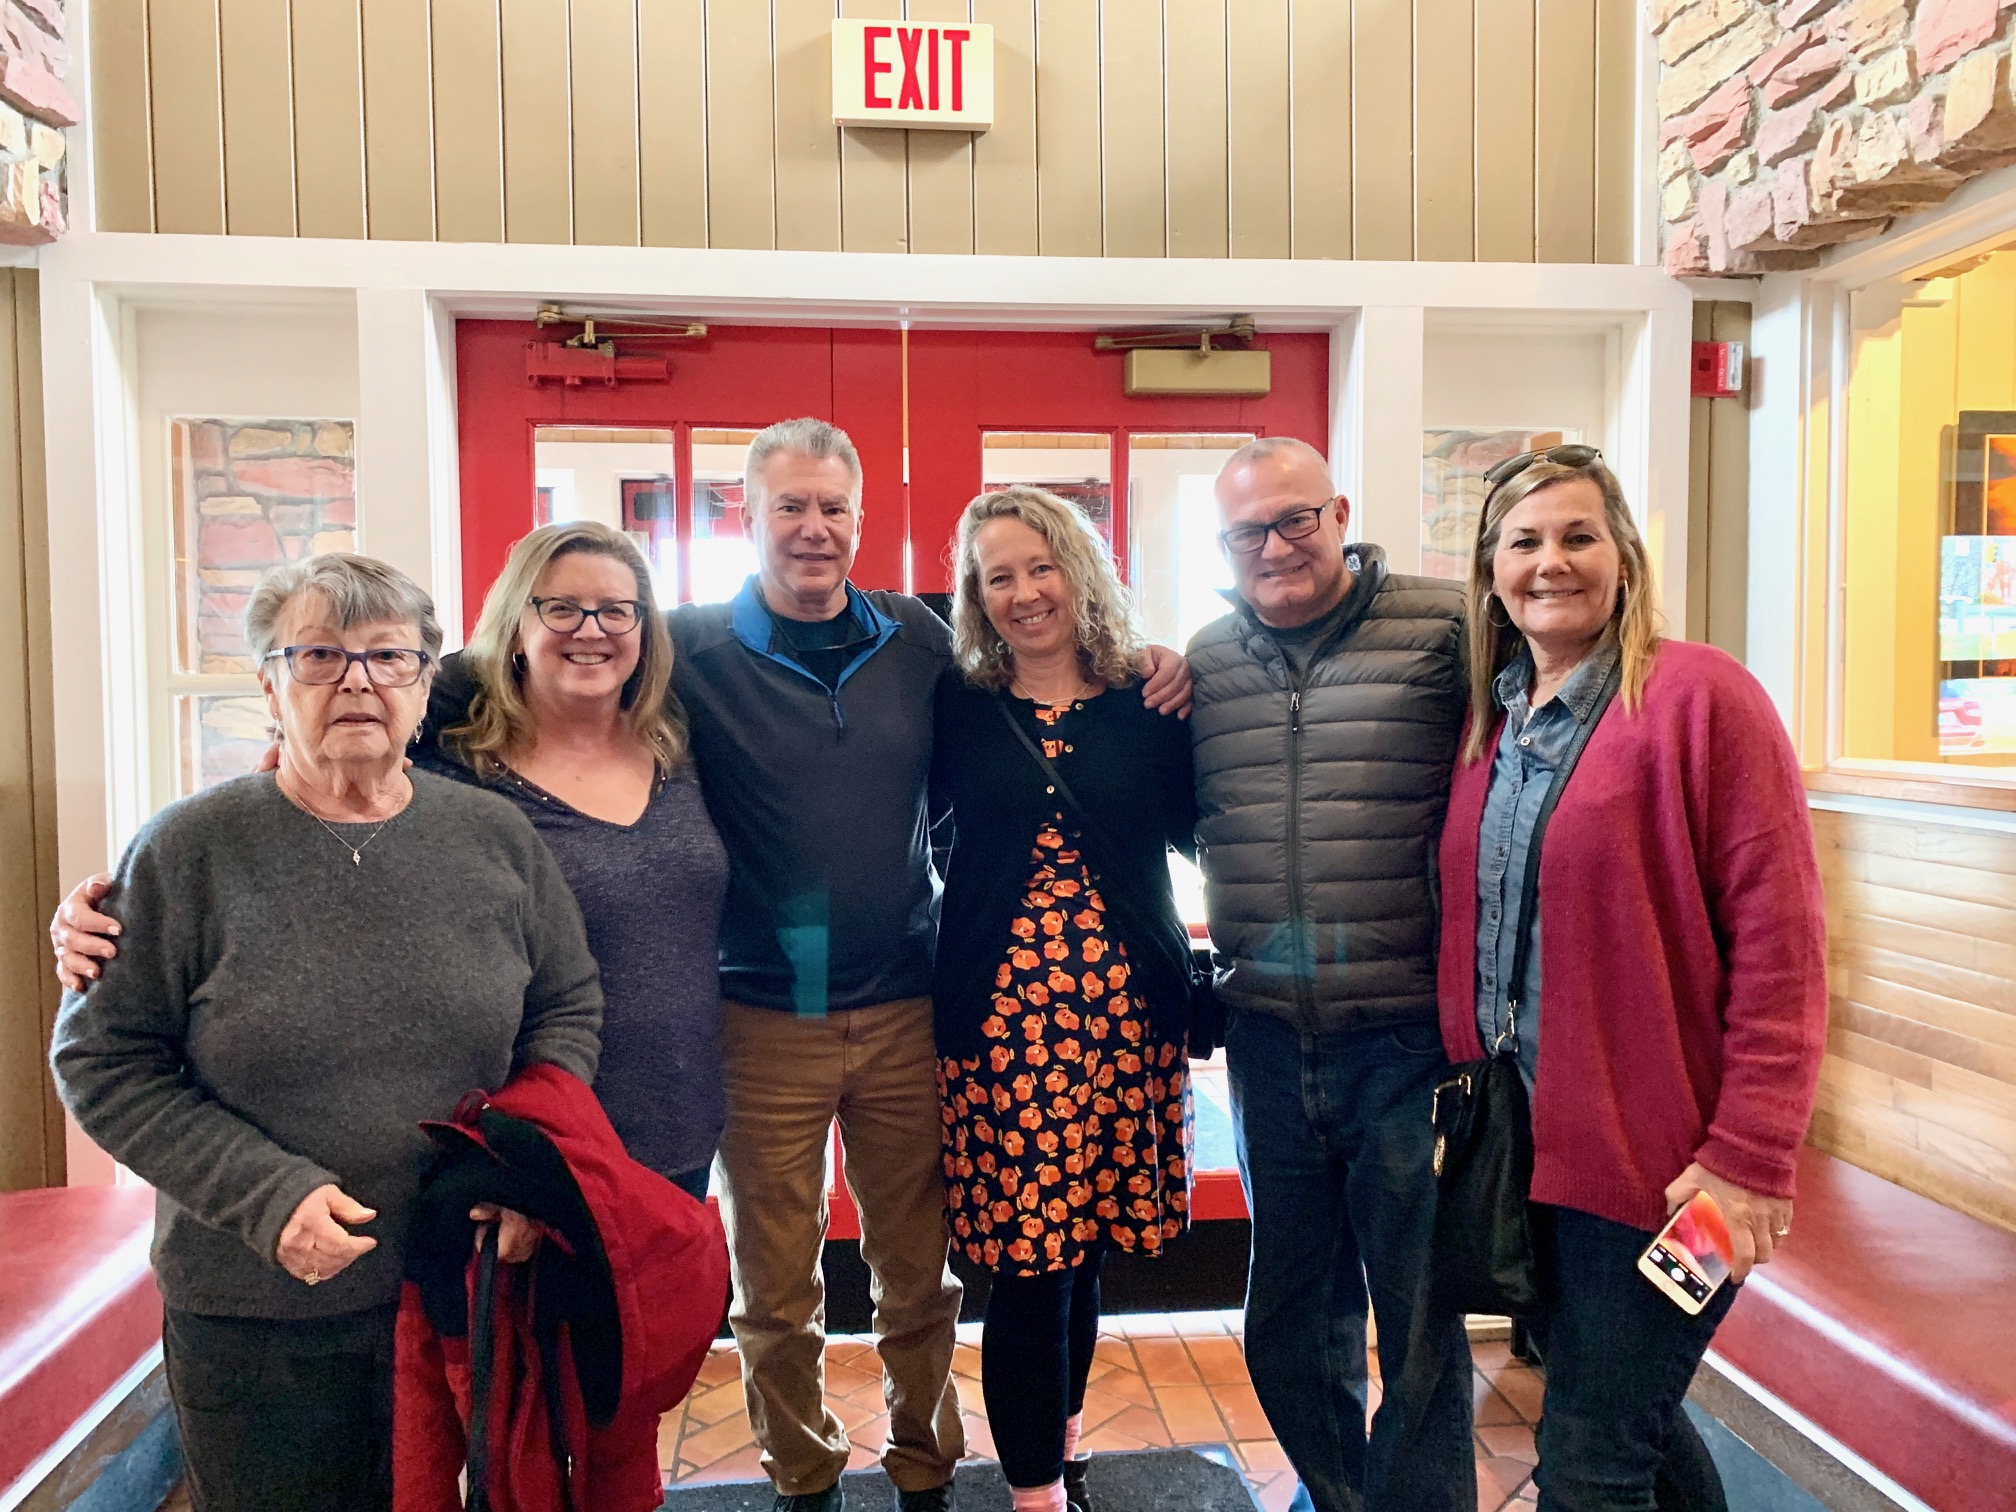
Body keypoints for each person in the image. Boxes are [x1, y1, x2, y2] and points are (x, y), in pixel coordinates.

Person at [48, 553, 603, 1512]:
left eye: (389, 657)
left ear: (424, 686)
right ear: (270, 687)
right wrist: (268, 1196)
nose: (357, 680)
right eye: (318, 656)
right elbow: (102, 1060)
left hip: (458, 1291)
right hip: (259, 1311)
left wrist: (525, 1170)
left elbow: (567, 1006)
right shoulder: (187, 851)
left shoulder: (496, 839)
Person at [53, 522, 729, 1202]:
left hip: (666, 1119)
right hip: (503, 1161)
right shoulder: (453, 762)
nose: (591, 628)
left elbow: (571, 998)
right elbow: (312, 788)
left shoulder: (682, 737)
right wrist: (128, 904)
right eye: (560, 607)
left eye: (617, 610)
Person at [1437, 446, 1825, 1512]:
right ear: (1491, 571)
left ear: (1624, 557)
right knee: (1630, 1422)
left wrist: (1747, 1159)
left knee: (1592, 1463)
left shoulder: (1702, 699)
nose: (1550, 563)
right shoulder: (1492, 718)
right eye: (1524, 542)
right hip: (1531, 1161)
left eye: (1579, 537)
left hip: (1679, 1183)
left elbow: (1784, 951)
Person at [1187, 437, 1475, 1512]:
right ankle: (1339, 1496)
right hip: (1266, 1039)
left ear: (1340, 514)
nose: (1274, 547)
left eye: (1294, 520)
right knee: (1292, 1324)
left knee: (1419, 1327)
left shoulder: (1447, 629)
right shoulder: (1206, 660)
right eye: (1246, 532)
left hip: (1405, 1043)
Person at [933, 489, 1198, 1512]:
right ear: (976, 595)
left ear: (1080, 570)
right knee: (1030, 1262)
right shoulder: (956, 701)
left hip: (1130, 1018)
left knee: (1084, 1252)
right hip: (1004, 1026)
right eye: (997, 576)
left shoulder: (1150, 701)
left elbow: (1205, 831)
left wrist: (1173, 663)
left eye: (1041, 566)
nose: (1024, 592)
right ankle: (1035, 1490)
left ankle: (1065, 1435)